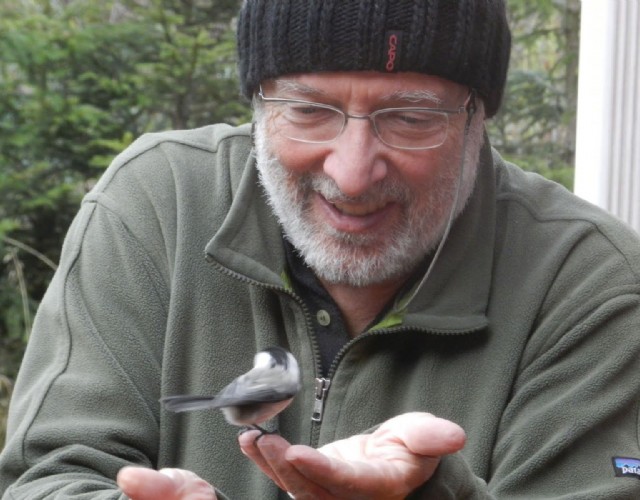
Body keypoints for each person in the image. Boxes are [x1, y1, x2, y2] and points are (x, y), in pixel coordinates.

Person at [1, 0, 640, 498]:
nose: (354, 173)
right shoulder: (156, 205)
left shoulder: (588, 282)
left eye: (411, 117)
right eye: (309, 110)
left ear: (478, 120)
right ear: (257, 105)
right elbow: (49, 475)